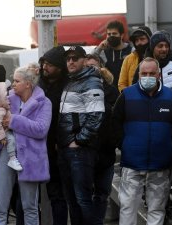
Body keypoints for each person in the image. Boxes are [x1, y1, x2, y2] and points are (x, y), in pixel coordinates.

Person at [112, 57, 172, 225]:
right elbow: (114, 123)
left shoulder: (170, 97)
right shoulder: (126, 95)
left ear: (159, 75)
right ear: (139, 74)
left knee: (157, 209)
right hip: (132, 164)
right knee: (127, 207)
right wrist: (124, 145)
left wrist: (170, 149)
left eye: (152, 73)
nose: (148, 76)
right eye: (144, 73)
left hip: (160, 165)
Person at [0, 66, 52, 225]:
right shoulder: (7, 98)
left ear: (28, 83)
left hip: (31, 158)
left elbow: (40, 129)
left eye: (17, 81)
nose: (13, 84)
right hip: (5, 152)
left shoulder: (44, 102)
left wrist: (13, 121)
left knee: (30, 207)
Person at [57, 46, 105, 225]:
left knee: (83, 199)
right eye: (68, 58)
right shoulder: (71, 81)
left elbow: (96, 116)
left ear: (84, 60)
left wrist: (79, 141)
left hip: (80, 150)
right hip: (66, 148)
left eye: (75, 58)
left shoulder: (91, 82)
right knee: (72, 201)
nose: (70, 61)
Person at [86, 53, 120, 225]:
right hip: (86, 152)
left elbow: (116, 119)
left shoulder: (111, 90)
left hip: (106, 153)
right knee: (84, 195)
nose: (91, 70)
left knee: (102, 194)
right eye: (87, 66)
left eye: (94, 66)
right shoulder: (78, 90)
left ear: (100, 67)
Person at [38, 46, 69, 225]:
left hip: (58, 148)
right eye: (44, 63)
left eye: (49, 64)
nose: (45, 68)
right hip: (38, 146)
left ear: (59, 67)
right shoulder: (38, 84)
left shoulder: (67, 86)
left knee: (58, 195)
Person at [132, 30, 172, 100]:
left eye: (166, 46)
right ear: (153, 47)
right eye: (160, 46)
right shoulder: (143, 65)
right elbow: (135, 89)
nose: (164, 49)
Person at [92, 20, 132, 89]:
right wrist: (99, 48)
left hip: (126, 91)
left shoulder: (130, 51)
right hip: (109, 94)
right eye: (109, 34)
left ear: (121, 35)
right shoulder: (104, 52)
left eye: (114, 34)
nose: (111, 36)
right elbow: (89, 61)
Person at [118, 26, 152, 92]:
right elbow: (122, 84)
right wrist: (130, 95)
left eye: (142, 39)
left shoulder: (156, 57)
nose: (139, 43)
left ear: (149, 39)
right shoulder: (128, 59)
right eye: (136, 40)